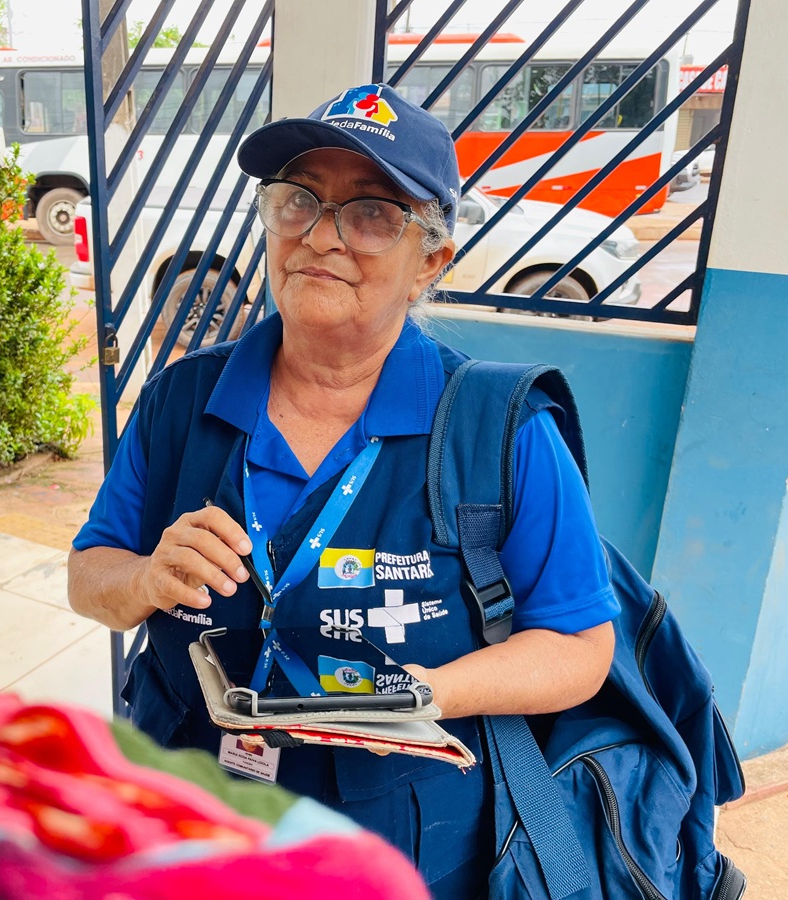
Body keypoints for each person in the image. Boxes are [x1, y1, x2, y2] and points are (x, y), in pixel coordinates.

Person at [67, 83, 619, 894]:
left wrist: (431, 691)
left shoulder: (499, 427)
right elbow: (91, 580)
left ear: (431, 261)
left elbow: (579, 646)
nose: (321, 237)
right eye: (299, 201)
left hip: (398, 835)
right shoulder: (183, 400)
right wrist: (145, 577)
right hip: (186, 801)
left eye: (371, 214)